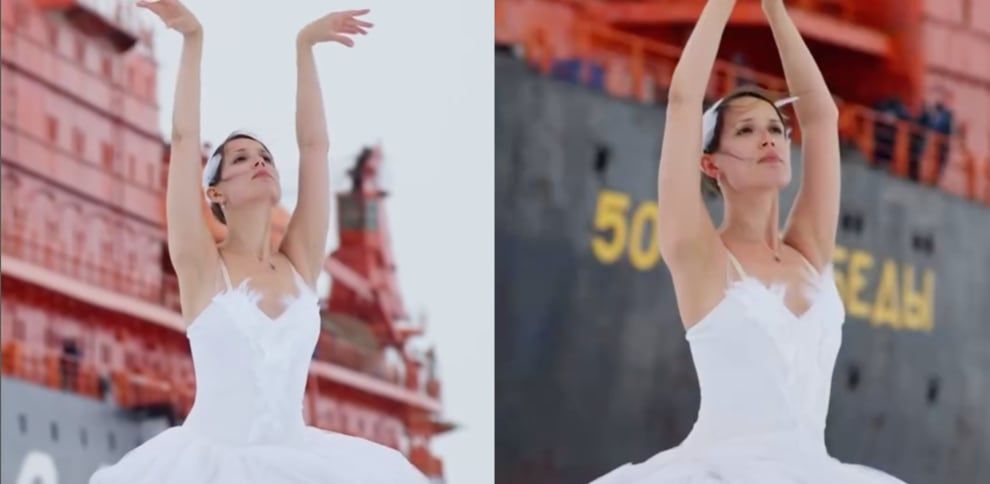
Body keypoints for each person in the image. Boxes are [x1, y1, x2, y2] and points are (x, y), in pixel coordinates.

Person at [89, 1, 427, 483]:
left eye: (264, 155)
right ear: (215, 192)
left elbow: (315, 147)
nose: (259, 161)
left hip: (301, 462)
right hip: (210, 468)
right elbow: (185, 139)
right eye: (241, 158)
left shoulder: (300, 263)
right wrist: (193, 40)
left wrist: (305, 46)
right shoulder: (201, 266)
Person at [591, 1, 906, 483]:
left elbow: (820, 115)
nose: (769, 140)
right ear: (711, 164)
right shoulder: (702, 257)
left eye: (777, 130)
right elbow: (682, 101)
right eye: (746, 130)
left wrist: (774, 8)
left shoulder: (809, 252)